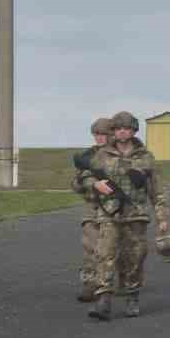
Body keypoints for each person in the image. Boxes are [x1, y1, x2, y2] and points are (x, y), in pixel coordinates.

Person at [80, 111, 170, 320]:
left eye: (126, 128)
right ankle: (103, 300)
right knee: (105, 254)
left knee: (135, 257)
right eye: (118, 128)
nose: (122, 132)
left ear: (133, 130)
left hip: (136, 216)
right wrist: (94, 184)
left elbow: (157, 191)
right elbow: (84, 177)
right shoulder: (102, 155)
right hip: (109, 214)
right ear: (113, 131)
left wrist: (162, 219)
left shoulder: (145, 158)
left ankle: (132, 295)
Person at [72, 116, 114, 302]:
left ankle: (119, 281)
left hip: (115, 207)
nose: (100, 138)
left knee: (116, 248)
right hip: (92, 206)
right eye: (96, 134)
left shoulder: (121, 155)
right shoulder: (86, 157)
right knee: (90, 246)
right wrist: (87, 184)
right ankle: (89, 284)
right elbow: (75, 182)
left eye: (104, 134)